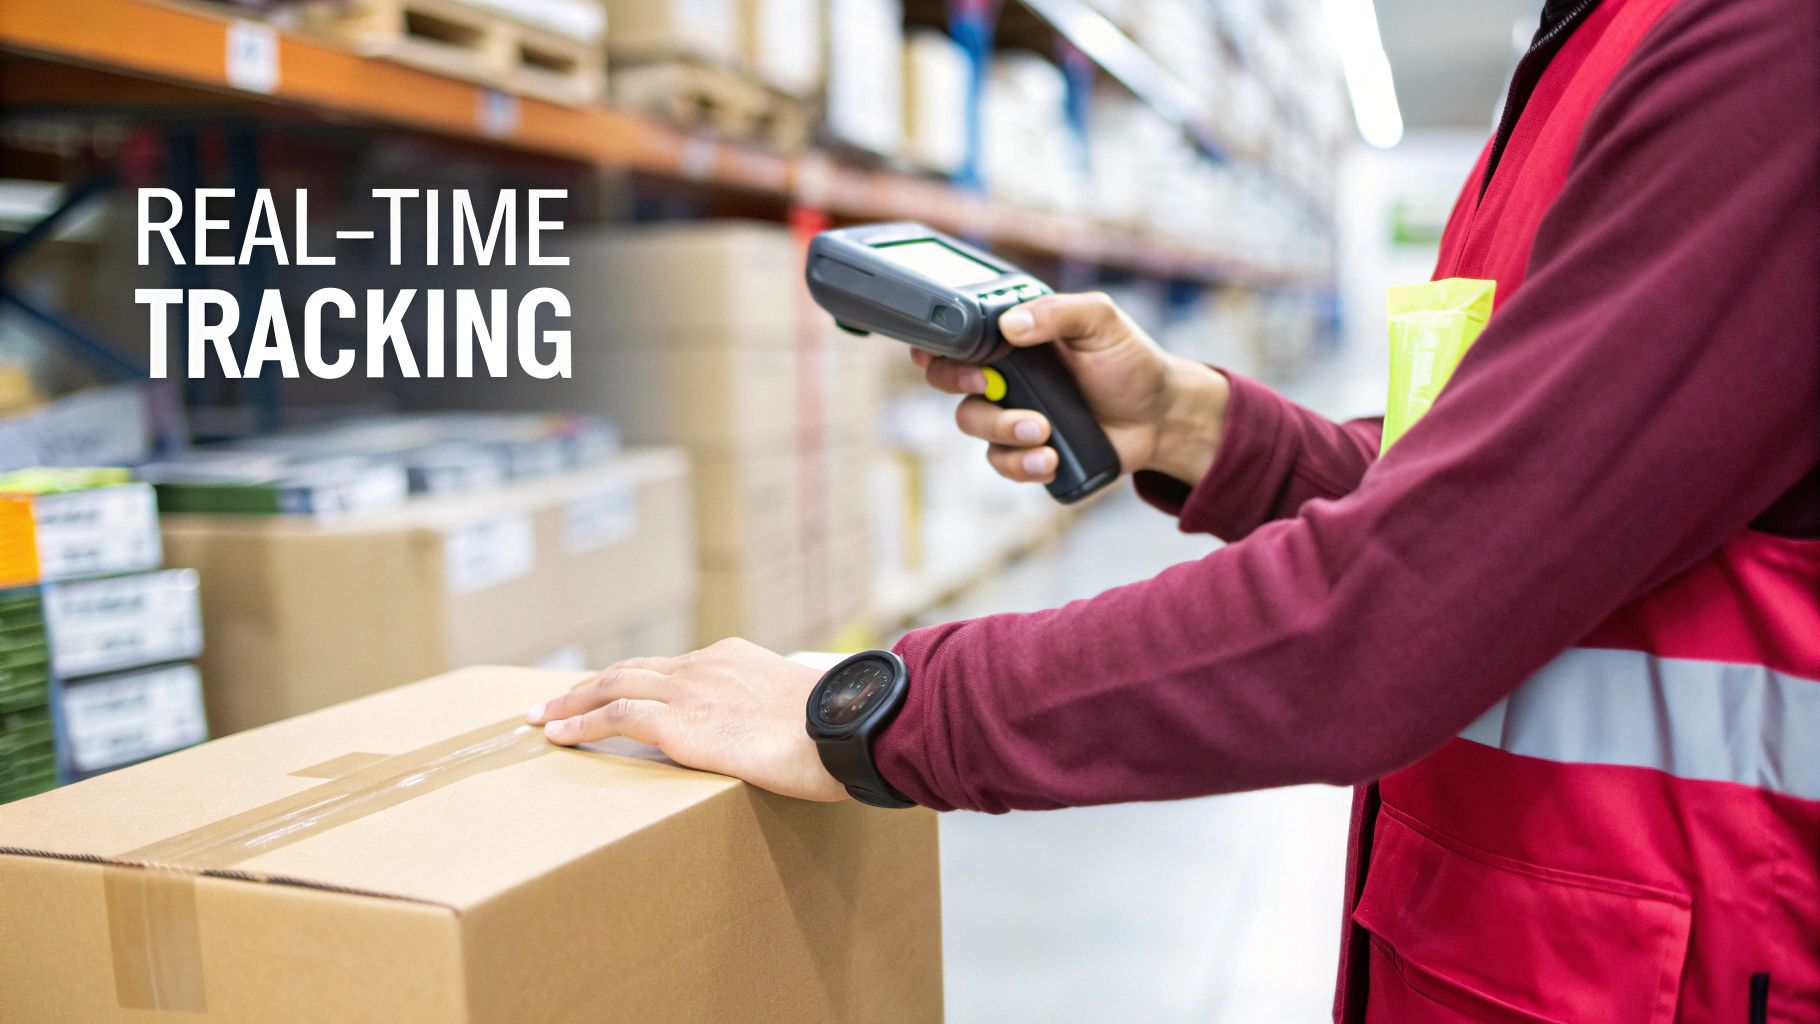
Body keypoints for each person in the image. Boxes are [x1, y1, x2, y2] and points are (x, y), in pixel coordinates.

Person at [527, 0, 1820, 1018]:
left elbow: (1404, 604)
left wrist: (878, 712)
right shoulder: (1602, 40)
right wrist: (1193, 424)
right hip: (1543, 947)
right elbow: (1517, 481)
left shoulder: (1765, 46)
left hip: (1685, 969)